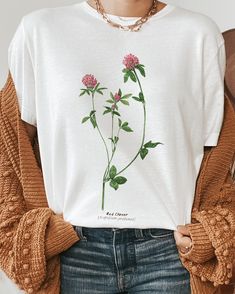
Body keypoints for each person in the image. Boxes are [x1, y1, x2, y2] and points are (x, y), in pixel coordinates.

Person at [1, 0, 234, 293]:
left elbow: (217, 155)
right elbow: (9, 146)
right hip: (72, 252)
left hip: (169, 257)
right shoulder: (39, 31)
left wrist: (208, 233)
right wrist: (25, 234)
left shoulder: (198, 34)